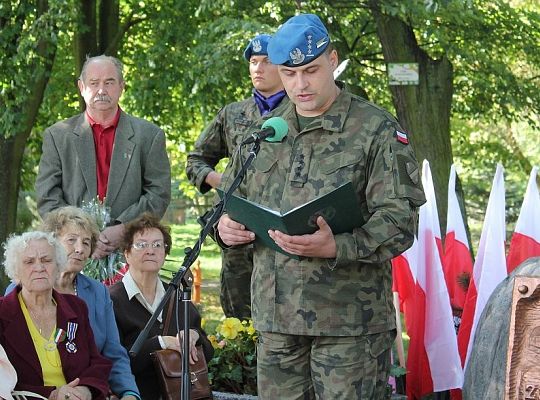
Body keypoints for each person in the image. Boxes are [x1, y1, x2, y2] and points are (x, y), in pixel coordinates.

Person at [217, 14, 426, 399]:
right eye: (289, 73)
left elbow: (400, 219)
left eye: (310, 70)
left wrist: (339, 246)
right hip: (277, 320)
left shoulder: (375, 129)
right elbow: (231, 201)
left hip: (348, 326)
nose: (300, 84)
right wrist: (226, 227)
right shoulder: (265, 131)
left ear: (332, 59)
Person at [186, 34, 288, 319]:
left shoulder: (299, 111)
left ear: (283, 67)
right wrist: (219, 181)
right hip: (238, 233)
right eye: (253, 62)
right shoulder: (233, 113)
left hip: (281, 233)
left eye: (266, 61)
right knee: (239, 320)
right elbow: (196, 160)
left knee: (283, 317)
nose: (258, 68)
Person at [35, 55, 171, 260]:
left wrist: (124, 228)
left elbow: (158, 194)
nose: (101, 90)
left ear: (121, 86)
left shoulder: (149, 136)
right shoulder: (57, 136)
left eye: (109, 82)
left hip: (132, 252)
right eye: (94, 83)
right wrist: (83, 237)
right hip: (73, 256)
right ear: (81, 87)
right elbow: (47, 197)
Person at [6, 207, 141, 399]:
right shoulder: (19, 290)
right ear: (52, 244)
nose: (79, 248)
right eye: (72, 240)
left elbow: (113, 353)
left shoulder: (97, 293)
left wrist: (128, 393)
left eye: (86, 243)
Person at [109, 213, 213, 400]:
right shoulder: (112, 300)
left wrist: (193, 337)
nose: (150, 250)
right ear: (126, 253)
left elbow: (208, 352)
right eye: (141, 245)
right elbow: (114, 362)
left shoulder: (178, 295)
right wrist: (162, 343)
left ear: (165, 253)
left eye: (158, 245)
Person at [0, 231, 111, 399]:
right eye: (29, 262)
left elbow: (96, 362)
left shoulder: (76, 307)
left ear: (58, 266)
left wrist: (86, 389)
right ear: (16, 272)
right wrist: (52, 394)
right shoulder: (2, 313)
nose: (39, 267)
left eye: (46, 260)